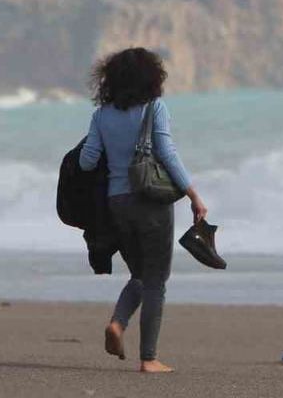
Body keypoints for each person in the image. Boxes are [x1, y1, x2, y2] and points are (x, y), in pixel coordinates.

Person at [79, 47, 207, 374]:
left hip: (117, 203)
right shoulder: (154, 108)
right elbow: (167, 152)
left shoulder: (101, 115)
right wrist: (192, 194)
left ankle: (118, 324)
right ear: (151, 77)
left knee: (140, 274)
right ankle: (149, 358)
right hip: (151, 201)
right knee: (156, 280)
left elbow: (87, 161)